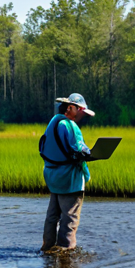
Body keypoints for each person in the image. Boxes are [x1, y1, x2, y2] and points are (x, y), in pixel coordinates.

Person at [39, 93, 96, 252]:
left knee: (52, 217)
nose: (82, 115)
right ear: (70, 108)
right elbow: (79, 150)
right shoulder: (70, 126)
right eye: (81, 110)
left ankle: (48, 248)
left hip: (53, 178)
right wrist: (92, 154)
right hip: (69, 180)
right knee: (70, 219)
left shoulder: (53, 122)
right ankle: (66, 252)